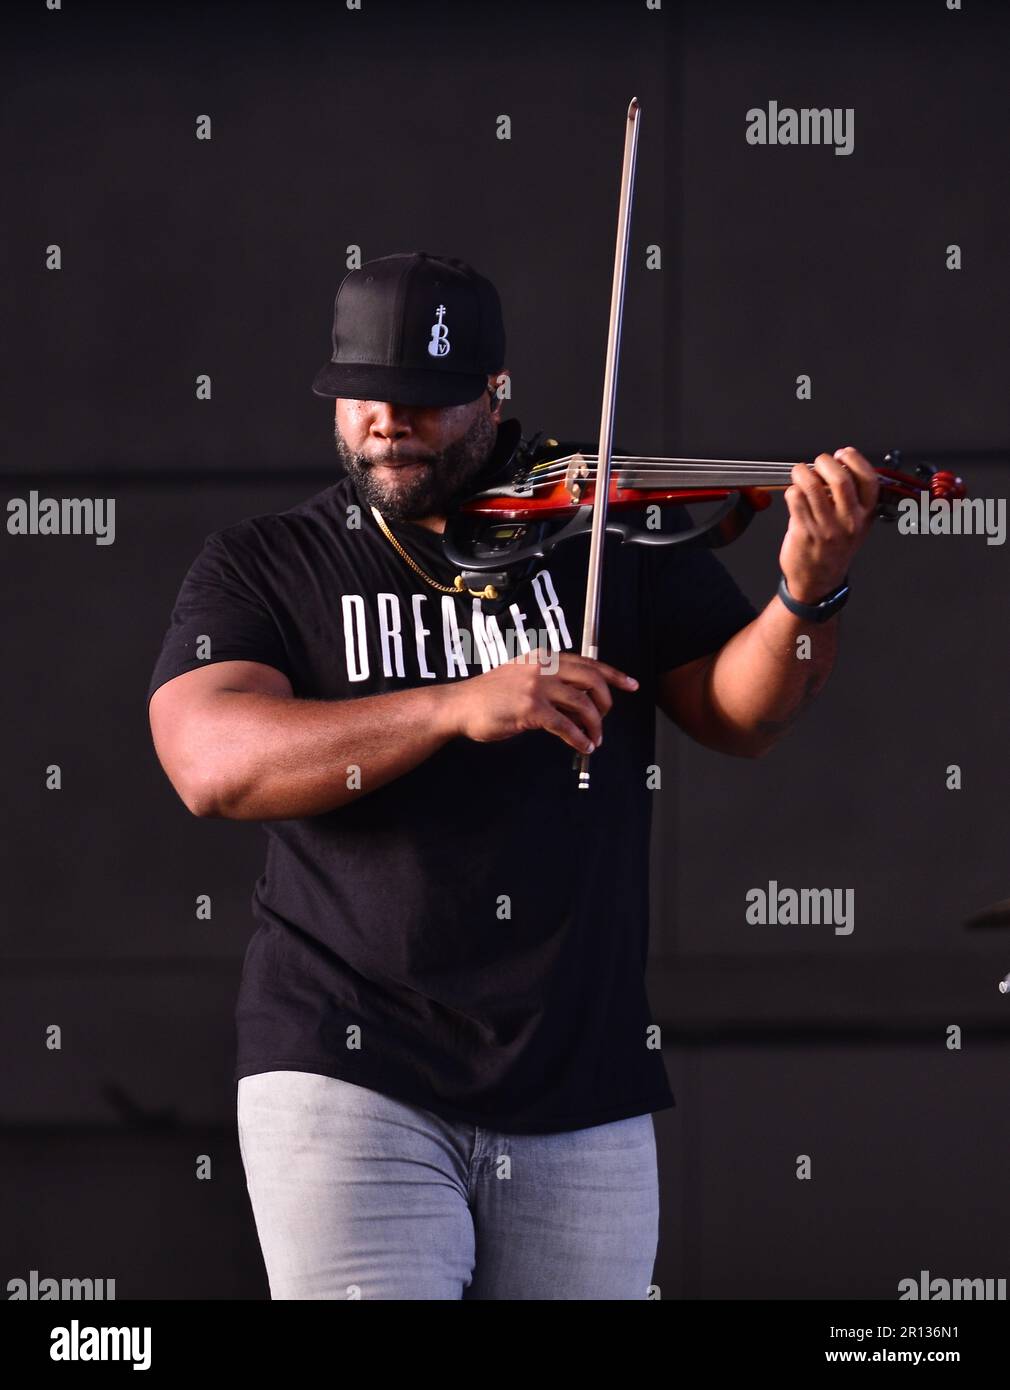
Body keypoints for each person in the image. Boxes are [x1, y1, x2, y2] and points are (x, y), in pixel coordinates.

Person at [146, 251, 879, 1300]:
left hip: (579, 1074)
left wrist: (805, 595)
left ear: (494, 396)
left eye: (426, 398)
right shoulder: (265, 562)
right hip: (347, 1061)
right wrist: (453, 705)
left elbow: (739, 714)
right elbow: (209, 760)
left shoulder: (597, 525)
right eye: (366, 395)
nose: (390, 421)